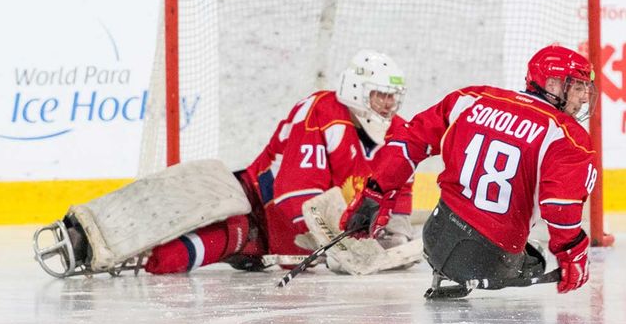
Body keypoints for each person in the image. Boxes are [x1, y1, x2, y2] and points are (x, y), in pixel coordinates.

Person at [34, 50, 416, 278]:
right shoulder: (321, 113)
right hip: (253, 208)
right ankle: (96, 241)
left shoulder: (397, 132)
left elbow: (402, 185)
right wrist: (336, 248)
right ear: (355, 89)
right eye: (380, 95)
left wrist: (394, 232)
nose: (388, 105)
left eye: (392, 97)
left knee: (194, 251)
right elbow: (294, 197)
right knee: (185, 245)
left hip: (285, 246)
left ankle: (120, 249)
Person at [339, 45, 598, 298]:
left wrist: (374, 194)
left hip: (435, 237)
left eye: (585, 89)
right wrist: (572, 254)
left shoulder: (471, 98)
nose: (585, 97)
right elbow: (559, 206)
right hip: (491, 261)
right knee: (536, 260)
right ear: (552, 84)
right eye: (577, 87)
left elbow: (408, 142)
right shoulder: (567, 135)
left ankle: (445, 268)